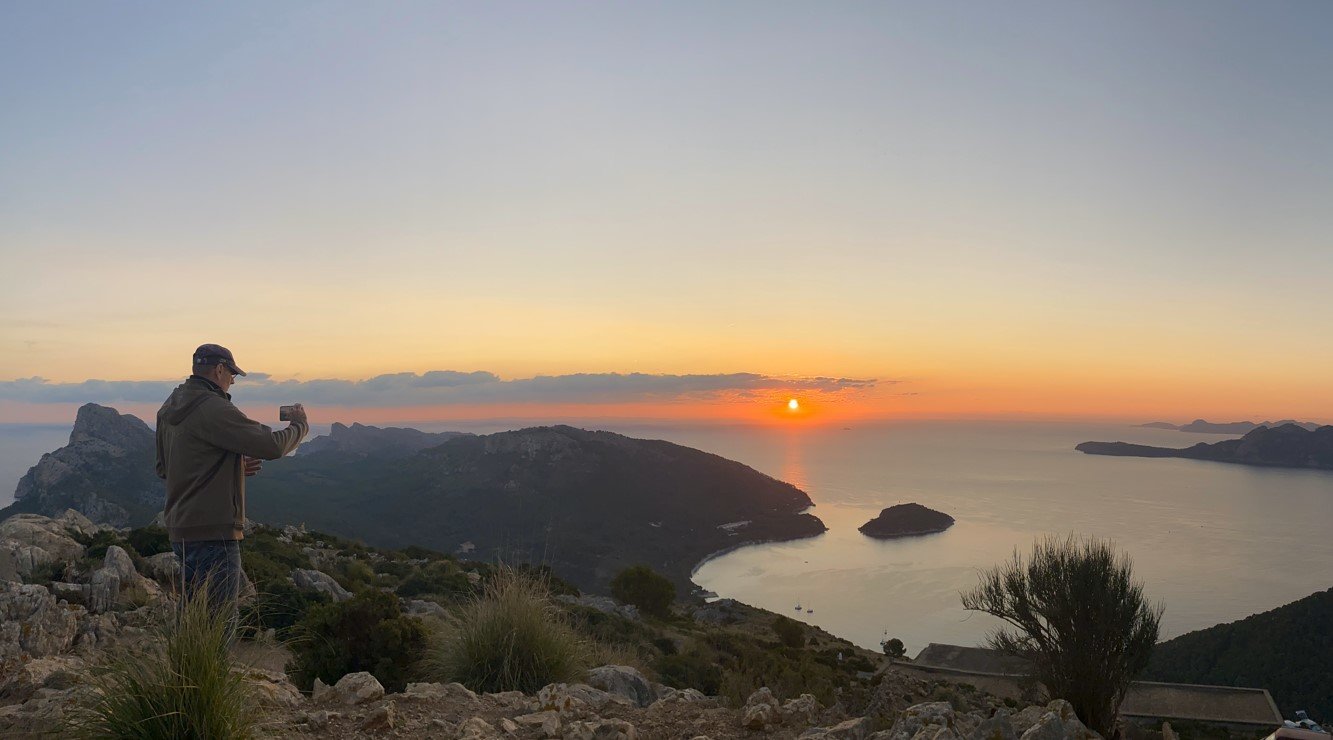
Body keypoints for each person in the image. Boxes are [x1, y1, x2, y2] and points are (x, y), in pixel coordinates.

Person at [154, 343, 308, 622]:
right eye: (232, 374)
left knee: (194, 618)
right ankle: (207, 667)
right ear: (219, 369)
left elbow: (167, 468)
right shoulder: (213, 408)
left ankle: (185, 666)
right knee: (220, 622)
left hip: (181, 529)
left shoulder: (169, 407)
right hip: (213, 534)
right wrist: (299, 426)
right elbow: (271, 446)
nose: (233, 381)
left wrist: (233, 465)